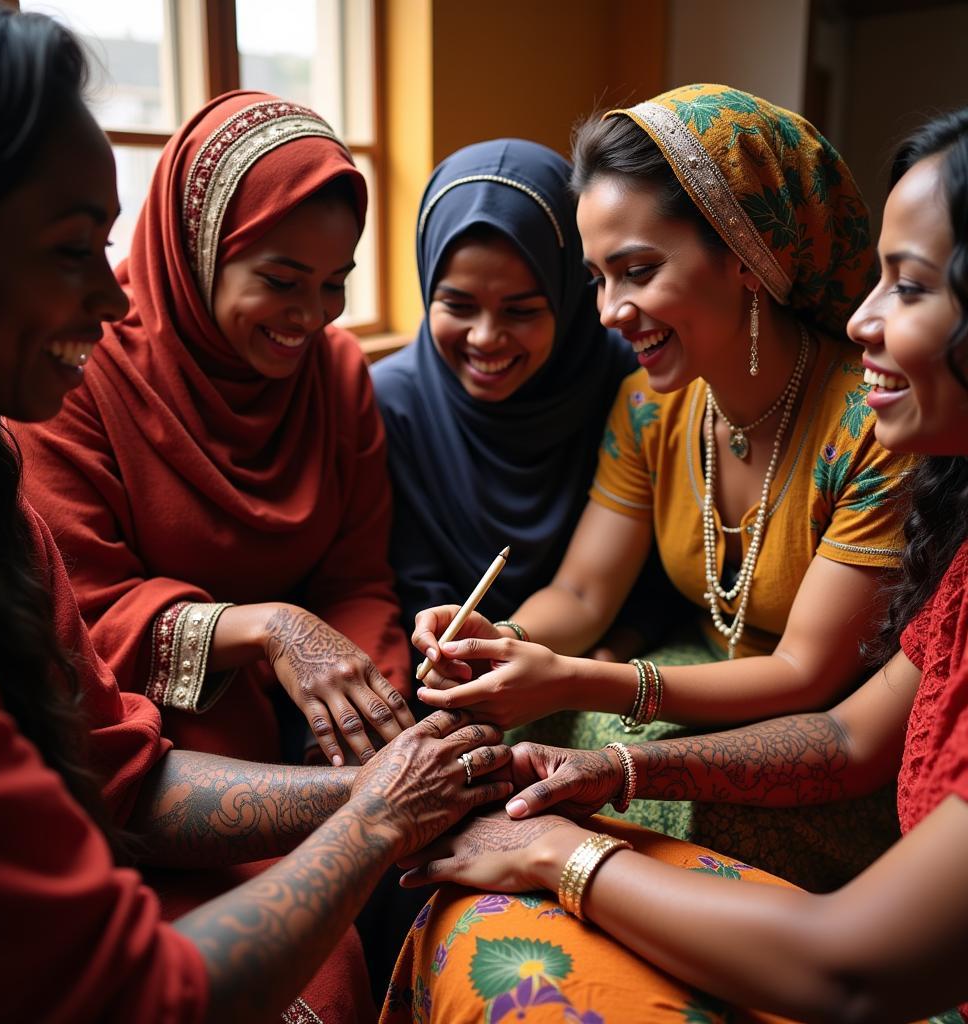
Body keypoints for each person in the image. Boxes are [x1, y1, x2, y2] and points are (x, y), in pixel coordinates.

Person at [0, 3, 512, 1021]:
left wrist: (387, 764)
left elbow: (118, 770)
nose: (112, 299)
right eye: (74, 251)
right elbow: (130, 970)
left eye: (334, 285)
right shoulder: (70, 394)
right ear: (196, 249)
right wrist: (367, 799)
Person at [383, 106, 968, 1024]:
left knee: (582, 776)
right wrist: (504, 639)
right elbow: (580, 589)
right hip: (722, 693)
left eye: (639, 271)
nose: (610, 311)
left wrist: (580, 694)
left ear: (745, 256)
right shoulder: (653, 409)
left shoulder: (873, 420)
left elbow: (817, 688)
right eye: (597, 277)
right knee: (530, 758)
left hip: (807, 725)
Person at [14, 87, 412, 769]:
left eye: (334, 283)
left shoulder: (336, 373)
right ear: (196, 251)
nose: (312, 317)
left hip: (311, 711)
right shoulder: (79, 373)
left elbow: (356, 583)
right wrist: (268, 629)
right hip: (153, 730)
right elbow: (84, 614)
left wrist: (368, 716)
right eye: (281, 281)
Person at [370, 138, 676, 653]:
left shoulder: (631, 383)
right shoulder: (391, 402)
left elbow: (667, 561)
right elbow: (401, 580)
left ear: (568, 295)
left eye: (522, 310)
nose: (486, 338)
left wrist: (625, 639)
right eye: (457, 304)